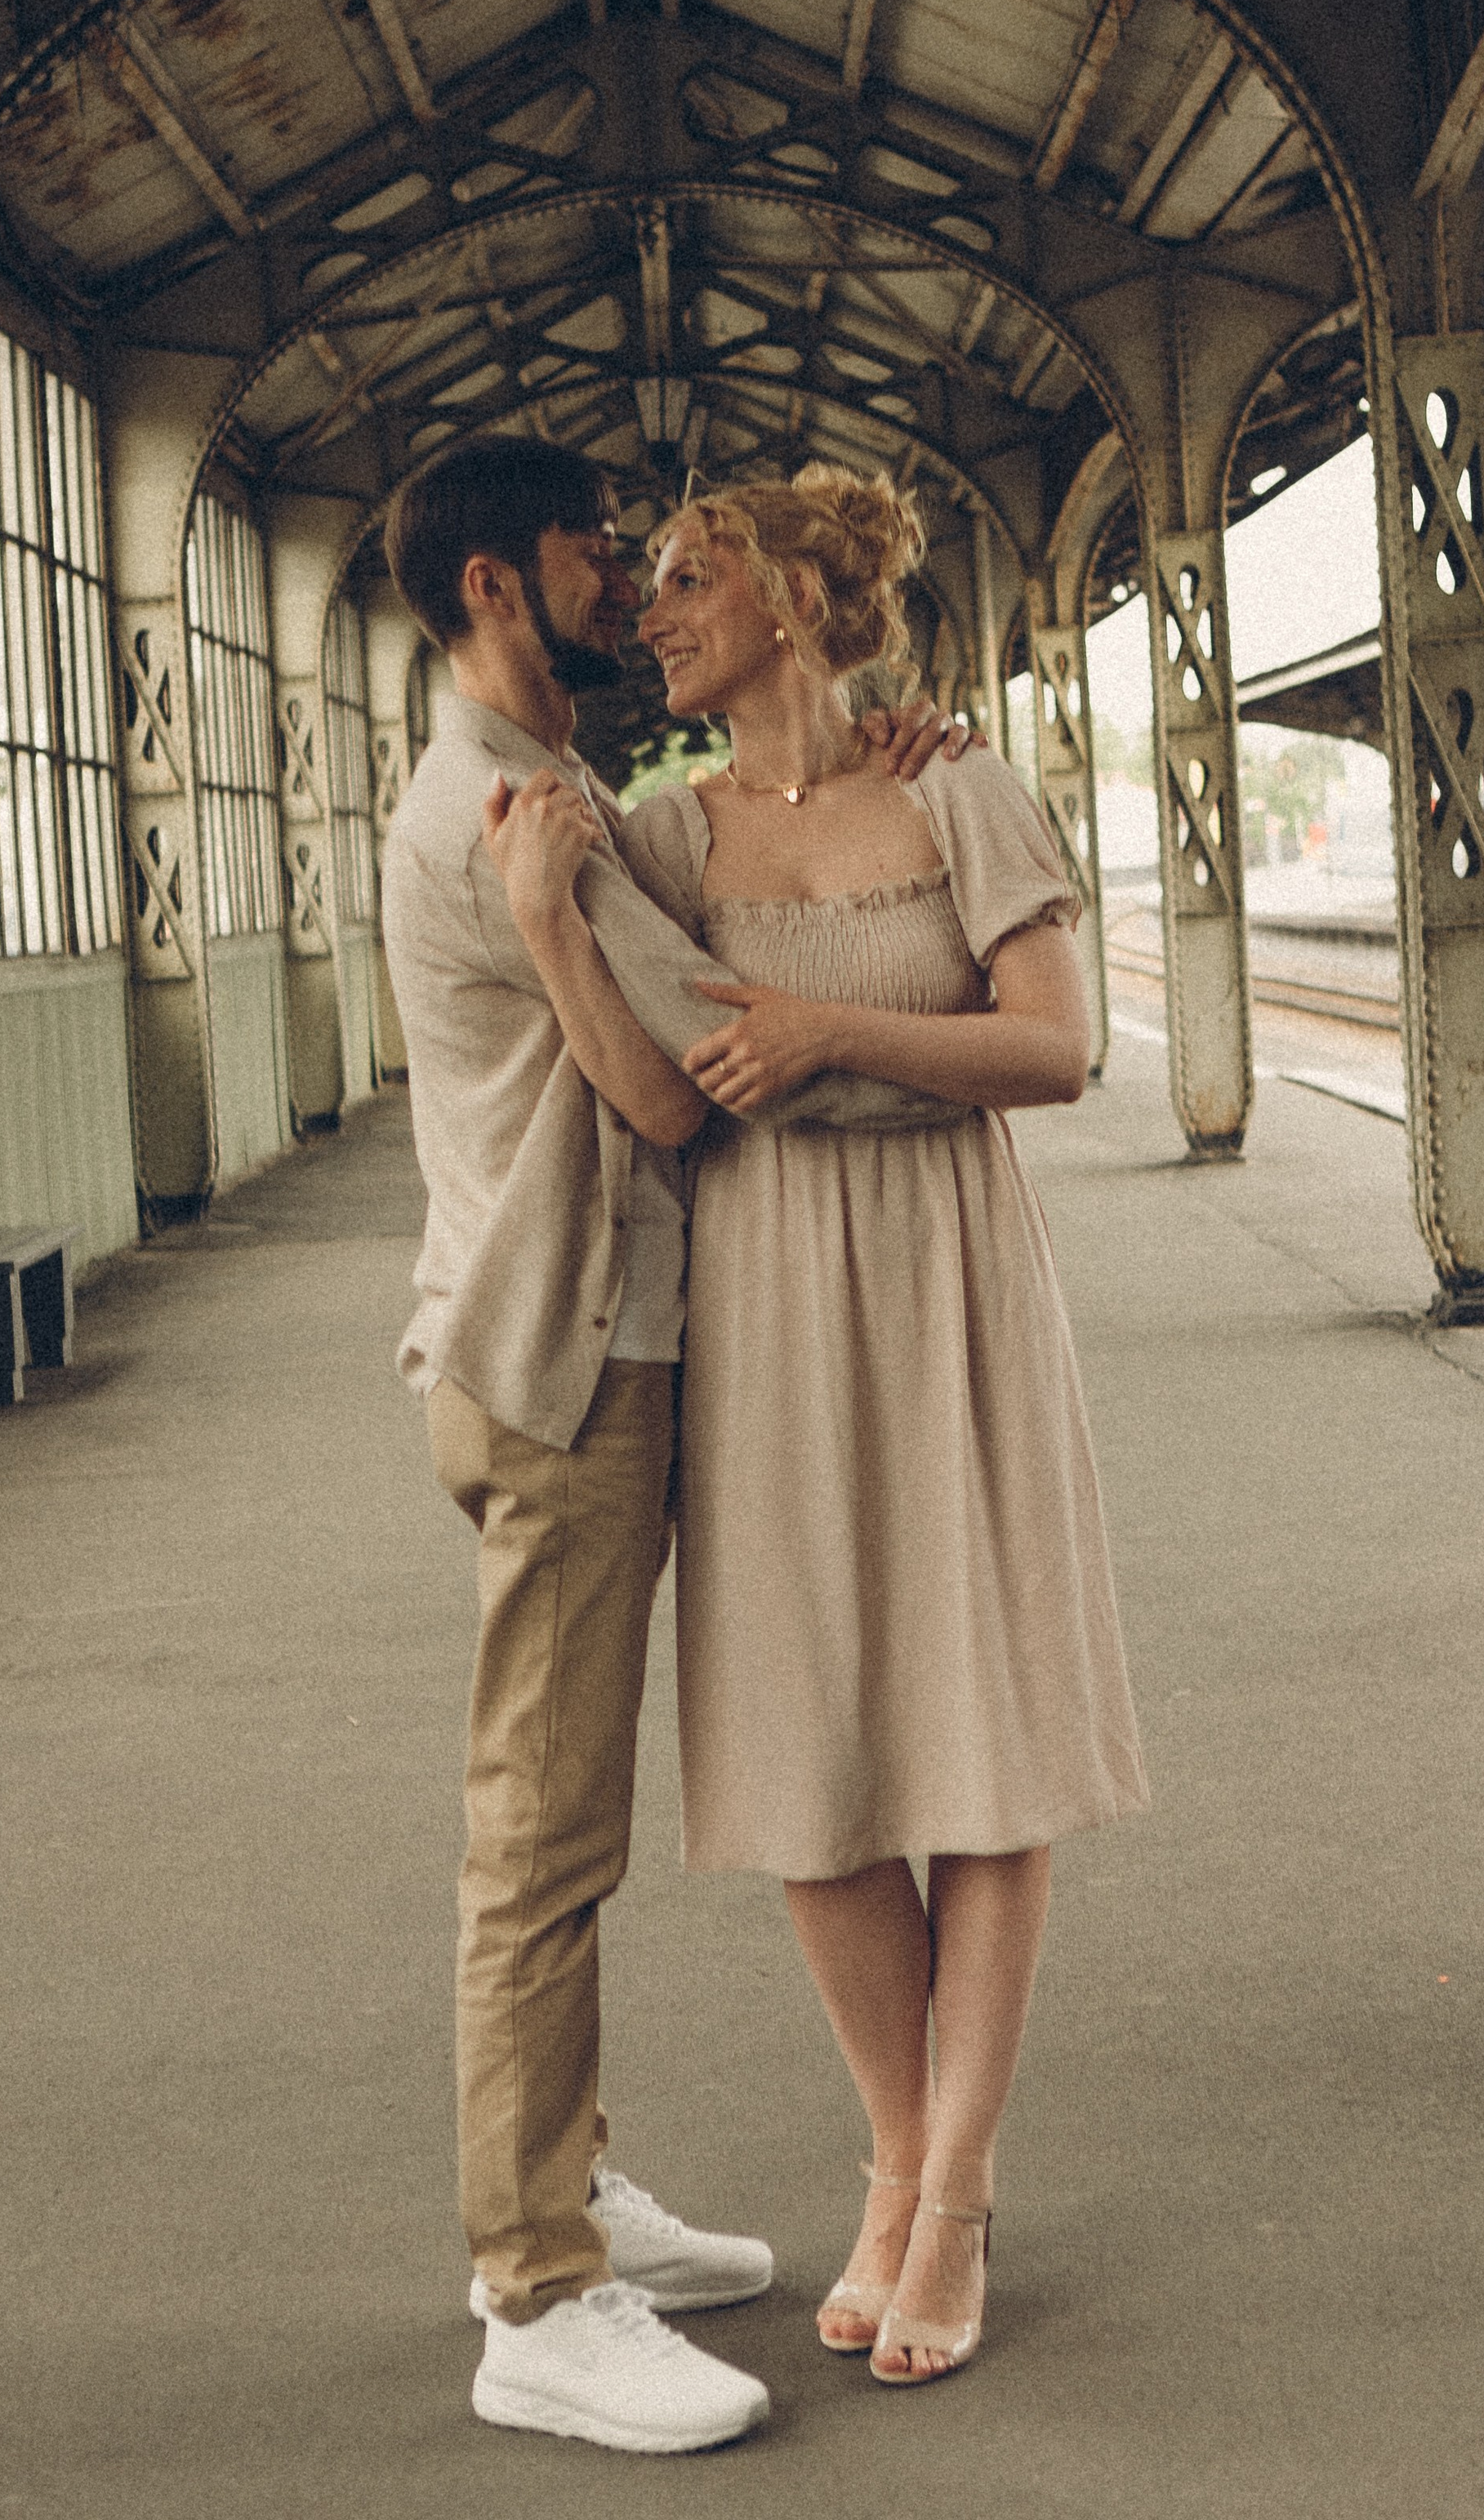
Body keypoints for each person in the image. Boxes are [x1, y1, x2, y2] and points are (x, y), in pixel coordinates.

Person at [502, 465, 1148, 2389]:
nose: (655, 612)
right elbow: (668, 1098)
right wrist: (550, 920)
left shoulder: (953, 784)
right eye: (650, 588)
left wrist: (831, 1033)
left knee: (981, 1729)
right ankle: (890, 2151)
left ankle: (946, 2196)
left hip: (953, 1296)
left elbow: (1054, 1045)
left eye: (689, 578)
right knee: (812, 1746)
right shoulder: (663, 837)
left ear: (794, 591)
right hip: (769, 1305)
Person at [377, 438, 962, 2457]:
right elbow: (689, 1074)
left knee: (565, 1825)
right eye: (581, 552)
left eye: (634, 552)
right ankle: (536, 2286)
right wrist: (946, 1014)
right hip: (560, 1371)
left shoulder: (563, 799)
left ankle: (572, 2178)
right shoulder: (499, 819)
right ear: (487, 588)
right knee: (539, 1844)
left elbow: (699, 871)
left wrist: (876, 759)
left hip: (577, 1345)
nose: (619, 579)